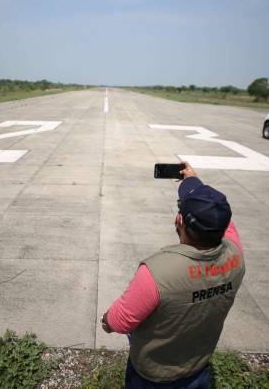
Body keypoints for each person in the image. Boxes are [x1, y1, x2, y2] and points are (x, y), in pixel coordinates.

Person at [101, 162, 245, 388]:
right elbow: (217, 216)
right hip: (198, 366)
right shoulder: (235, 253)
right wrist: (193, 183)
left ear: (179, 221)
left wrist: (106, 321)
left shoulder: (157, 273)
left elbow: (118, 321)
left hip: (154, 375)